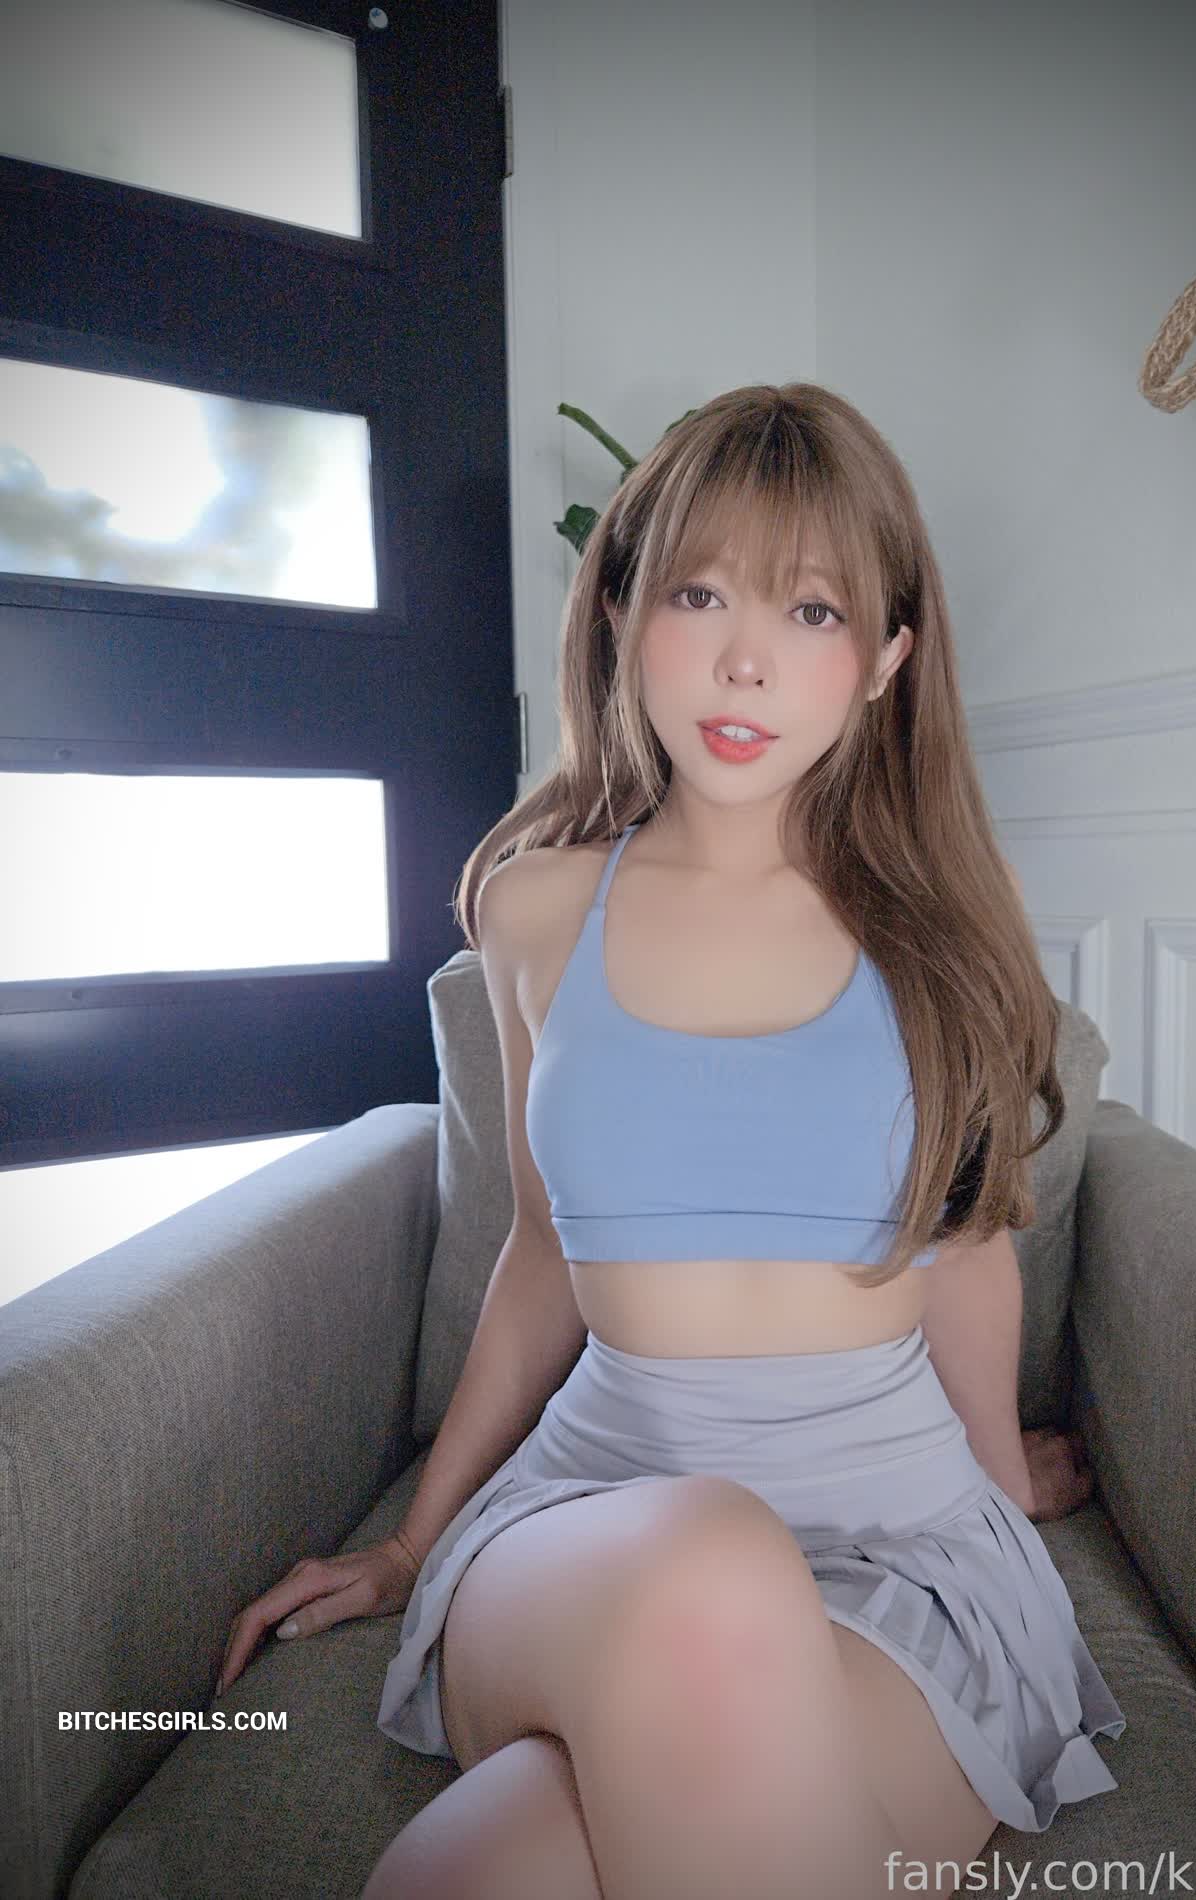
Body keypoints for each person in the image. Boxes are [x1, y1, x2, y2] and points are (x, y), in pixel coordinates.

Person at [215, 383, 1126, 1900]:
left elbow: (967, 1252)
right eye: (698, 594)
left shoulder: (948, 928)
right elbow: (540, 1252)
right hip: (597, 1521)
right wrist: (411, 1546)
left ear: (887, 659)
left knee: (468, 1876)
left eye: (812, 611)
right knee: (708, 1560)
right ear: (621, 614)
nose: (743, 659)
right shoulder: (534, 909)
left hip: (895, 1548)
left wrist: (998, 1495)